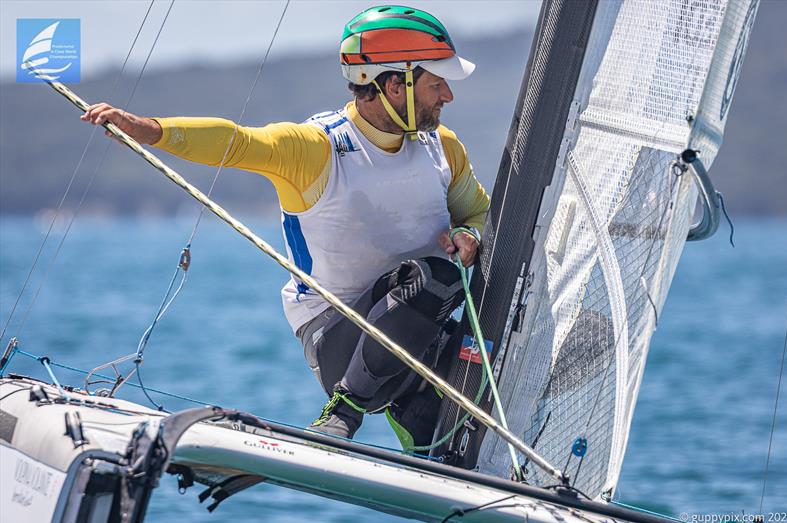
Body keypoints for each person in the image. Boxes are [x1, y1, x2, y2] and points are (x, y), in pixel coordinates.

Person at [80, 5, 490, 444]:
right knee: (436, 277)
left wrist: (470, 233)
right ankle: (345, 410)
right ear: (394, 84)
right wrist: (148, 129)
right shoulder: (318, 149)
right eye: (436, 83)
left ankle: (416, 416)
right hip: (338, 341)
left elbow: (478, 212)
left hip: (421, 340)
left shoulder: (443, 148)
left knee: (490, 363)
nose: (447, 95)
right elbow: (236, 142)